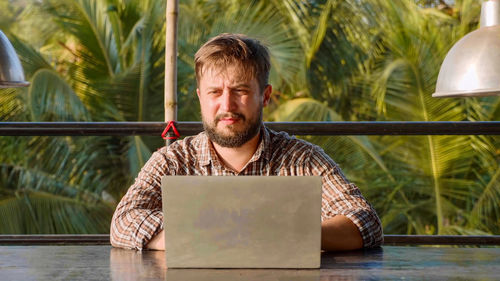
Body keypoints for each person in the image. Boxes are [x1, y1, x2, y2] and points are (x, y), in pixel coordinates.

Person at [110, 33, 383, 251]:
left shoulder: (303, 159)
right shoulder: (172, 160)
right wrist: (198, 238)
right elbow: (123, 222)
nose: (226, 105)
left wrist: (281, 234)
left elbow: (365, 221)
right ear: (200, 97)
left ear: (265, 96)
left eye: (240, 90)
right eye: (215, 92)